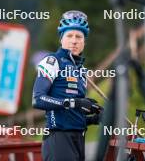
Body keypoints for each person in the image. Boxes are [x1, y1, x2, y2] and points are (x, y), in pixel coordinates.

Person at [32, 10, 103, 161]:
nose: (74, 41)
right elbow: (37, 99)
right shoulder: (52, 61)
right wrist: (74, 102)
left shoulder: (81, 70)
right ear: (61, 39)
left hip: (78, 139)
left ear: (84, 41)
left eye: (79, 36)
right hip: (58, 139)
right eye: (69, 36)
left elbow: (71, 115)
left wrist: (93, 118)